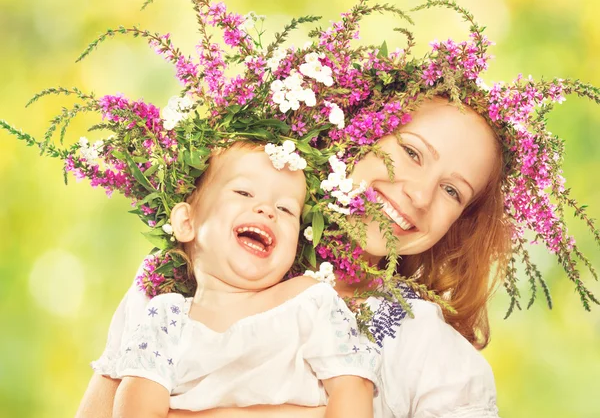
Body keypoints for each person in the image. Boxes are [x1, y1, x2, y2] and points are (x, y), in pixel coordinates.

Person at [77, 96, 506, 418]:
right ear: (356, 129)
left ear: (459, 222)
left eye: (453, 191)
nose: (419, 192)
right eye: (411, 152)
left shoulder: (432, 353)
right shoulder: (170, 287)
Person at [100, 141, 379, 418]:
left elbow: (353, 388)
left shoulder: (310, 301)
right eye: (244, 192)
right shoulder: (166, 321)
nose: (267, 210)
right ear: (187, 222)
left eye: (286, 209)